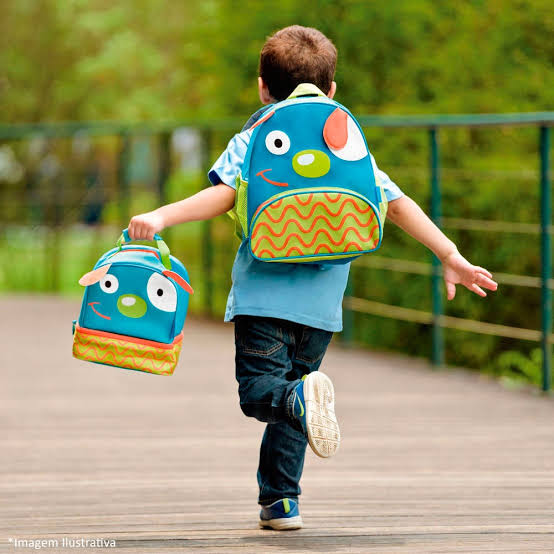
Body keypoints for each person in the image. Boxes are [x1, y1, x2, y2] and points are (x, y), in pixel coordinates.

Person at [128, 25, 498, 531]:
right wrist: (449, 253)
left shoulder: (255, 134)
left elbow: (220, 194)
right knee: (302, 398)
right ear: (332, 91)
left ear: (262, 87)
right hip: (324, 302)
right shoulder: (343, 138)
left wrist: (164, 216)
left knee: (264, 394)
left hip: (264, 296)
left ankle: (286, 469)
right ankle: (281, 501)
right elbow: (394, 203)